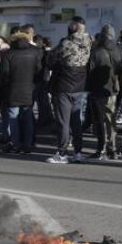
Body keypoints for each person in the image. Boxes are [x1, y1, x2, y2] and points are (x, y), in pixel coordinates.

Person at [46, 19, 92, 164]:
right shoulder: (89, 43)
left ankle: (61, 153)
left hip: (64, 86)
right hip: (80, 86)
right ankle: (78, 152)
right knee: (76, 121)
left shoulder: (66, 44)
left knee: (63, 122)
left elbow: (50, 59)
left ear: (71, 28)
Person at [86, 25, 122, 160]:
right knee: (111, 120)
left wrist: (89, 87)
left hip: (97, 90)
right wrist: (119, 85)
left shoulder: (96, 52)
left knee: (99, 120)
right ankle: (112, 149)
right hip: (113, 89)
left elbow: (89, 72)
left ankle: (101, 148)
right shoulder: (119, 51)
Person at [0, 30, 44, 154]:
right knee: (28, 117)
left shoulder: (9, 54)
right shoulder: (34, 53)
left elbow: (5, 73)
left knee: (13, 117)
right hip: (29, 90)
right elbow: (38, 71)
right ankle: (28, 144)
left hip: (13, 90)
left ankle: (16, 144)